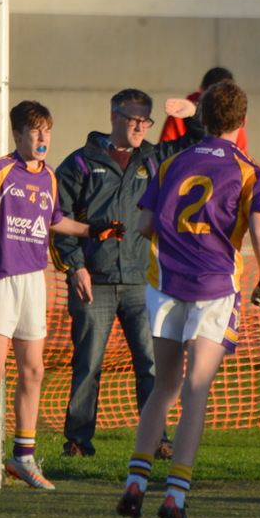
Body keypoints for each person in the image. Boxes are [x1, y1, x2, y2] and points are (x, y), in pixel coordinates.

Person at [116, 79, 260, 518]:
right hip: (213, 289)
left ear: (201, 119)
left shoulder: (171, 162)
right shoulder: (249, 170)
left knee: (163, 386)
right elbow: (259, 231)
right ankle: (176, 495)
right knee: (195, 390)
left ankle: (136, 480)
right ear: (242, 122)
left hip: (164, 286)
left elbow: (145, 223)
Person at [0, 100, 124, 491]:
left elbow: (55, 221)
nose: (43, 138)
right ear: (18, 135)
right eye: (35, 131)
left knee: (34, 370)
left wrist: (93, 230)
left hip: (33, 281)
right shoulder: (0, 169)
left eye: (47, 131)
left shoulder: (48, 178)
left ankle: (22, 458)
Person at [51, 89, 206, 459]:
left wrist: (192, 112)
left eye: (145, 120)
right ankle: (77, 440)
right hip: (95, 281)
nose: (139, 126)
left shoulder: (154, 158)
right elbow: (57, 220)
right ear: (113, 117)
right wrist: (76, 268)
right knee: (88, 363)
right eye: (133, 118)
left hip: (142, 281)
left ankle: (158, 440)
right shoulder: (80, 163)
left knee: (151, 365)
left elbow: (201, 141)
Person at [159, 67, 247, 151]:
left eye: (225, 100)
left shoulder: (234, 117)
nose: (218, 105)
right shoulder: (179, 114)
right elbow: (166, 155)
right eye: (212, 98)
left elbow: (241, 157)